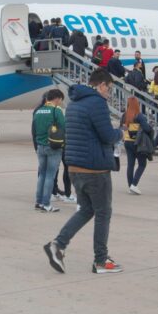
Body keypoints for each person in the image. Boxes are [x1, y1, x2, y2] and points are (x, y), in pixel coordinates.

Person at [43, 68, 124, 275]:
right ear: (102, 85)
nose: (109, 93)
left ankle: (58, 244)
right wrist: (120, 132)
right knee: (103, 212)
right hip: (95, 168)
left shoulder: (74, 102)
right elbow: (107, 135)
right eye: (110, 89)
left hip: (75, 167)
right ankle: (101, 260)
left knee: (87, 209)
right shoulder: (97, 102)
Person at [32, 89, 65, 213]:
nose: (60, 103)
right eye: (60, 100)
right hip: (53, 146)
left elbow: (34, 128)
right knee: (50, 175)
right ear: (56, 98)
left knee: (42, 175)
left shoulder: (38, 111)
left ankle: (39, 201)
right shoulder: (56, 110)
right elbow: (63, 126)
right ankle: (46, 204)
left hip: (40, 146)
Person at [121, 97, 152, 195]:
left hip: (127, 142)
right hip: (138, 143)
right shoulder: (139, 116)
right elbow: (147, 129)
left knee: (130, 164)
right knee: (142, 164)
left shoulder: (124, 115)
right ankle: (134, 184)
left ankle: (130, 186)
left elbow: (121, 127)